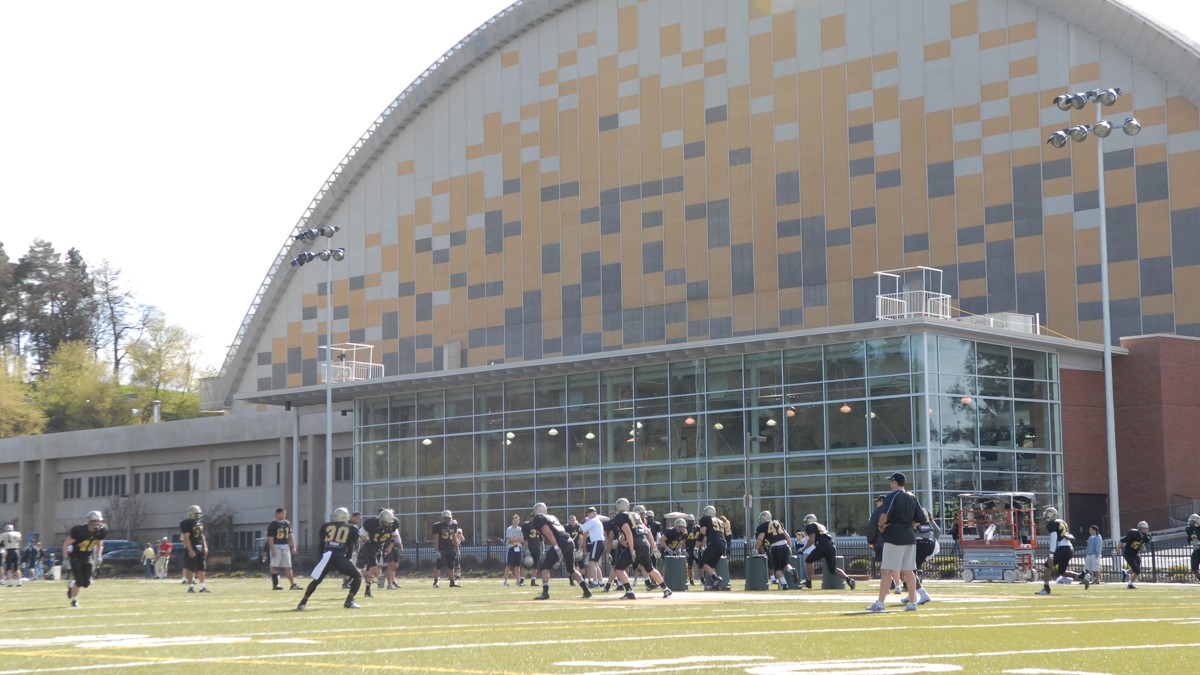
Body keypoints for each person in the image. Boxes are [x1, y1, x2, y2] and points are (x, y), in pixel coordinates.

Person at [868, 472, 924, 611]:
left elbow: (884, 515)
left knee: (887, 570)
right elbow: (921, 518)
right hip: (909, 537)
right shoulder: (912, 496)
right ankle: (912, 602)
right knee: (909, 571)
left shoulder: (893, 495)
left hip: (894, 538)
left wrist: (881, 526)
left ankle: (880, 603)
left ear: (894, 482)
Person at [297, 507, 363, 610]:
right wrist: (348, 558)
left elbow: (321, 545)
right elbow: (351, 546)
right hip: (339, 556)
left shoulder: (325, 526)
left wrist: (320, 558)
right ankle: (349, 601)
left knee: (317, 580)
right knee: (358, 576)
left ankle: (303, 602)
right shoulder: (352, 528)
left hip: (326, 556)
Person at [608, 497, 670, 599]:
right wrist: (654, 548)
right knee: (650, 569)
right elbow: (648, 532)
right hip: (645, 543)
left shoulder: (620, 517)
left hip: (635, 544)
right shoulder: (635, 515)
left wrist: (632, 549)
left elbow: (628, 533)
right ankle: (666, 589)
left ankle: (629, 591)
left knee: (618, 569)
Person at [529, 502, 591, 600]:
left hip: (560, 542)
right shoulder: (552, 517)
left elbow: (549, 534)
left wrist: (557, 549)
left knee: (545, 567)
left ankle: (545, 593)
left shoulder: (539, 518)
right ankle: (586, 590)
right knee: (572, 570)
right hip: (569, 541)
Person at [1035, 506, 1088, 595]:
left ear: (1051, 515)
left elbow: (1053, 539)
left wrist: (1051, 555)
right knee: (1062, 572)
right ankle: (1083, 576)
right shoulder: (1062, 522)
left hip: (1062, 548)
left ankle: (1046, 589)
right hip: (1069, 548)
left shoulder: (1052, 524)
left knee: (1047, 567)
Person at [801, 514, 856, 591]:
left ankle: (808, 581)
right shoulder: (820, 526)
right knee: (833, 569)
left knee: (808, 560)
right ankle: (849, 580)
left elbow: (812, 539)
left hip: (823, 546)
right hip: (831, 546)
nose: (805, 523)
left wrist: (804, 548)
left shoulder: (810, 526)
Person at [64, 511, 107, 607]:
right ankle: (74, 600)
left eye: (98, 521)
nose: (97, 523)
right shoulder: (80, 531)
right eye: (95, 521)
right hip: (76, 557)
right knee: (79, 581)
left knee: (86, 583)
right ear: (89, 521)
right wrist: (66, 558)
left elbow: (100, 543)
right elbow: (66, 543)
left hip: (87, 557)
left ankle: (71, 585)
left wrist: (99, 555)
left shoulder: (100, 531)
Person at [359, 508, 399, 597]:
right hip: (370, 545)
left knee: (375, 569)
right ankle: (367, 591)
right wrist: (360, 546)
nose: (387, 524)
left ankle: (360, 573)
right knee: (374, 567)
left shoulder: (393, 524)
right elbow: (361, 535)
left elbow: (394, 535)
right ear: (381, 519)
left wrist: (390, 547)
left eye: (389, 523)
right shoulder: (371, 523)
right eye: (386, 522)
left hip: (380, 547)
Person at [754, 511, 798, 590]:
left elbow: (760, 539)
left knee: (777, 569)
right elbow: (787, 536)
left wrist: (755, 549)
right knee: (785, 564)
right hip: (785, 546)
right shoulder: (778, 523)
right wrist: (790, 547)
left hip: (776, 548)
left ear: (763, 518)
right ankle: (791, 569)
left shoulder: (762, 526)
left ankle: (784, 584)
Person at [266, 507, 301, 591]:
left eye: (284, 513)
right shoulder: (272, 525)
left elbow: (290, 535)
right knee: (274, 566)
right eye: (282, 513)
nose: (284, 515)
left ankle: (293, 584)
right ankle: (276, 584)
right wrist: (273, 549)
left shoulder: (287, 523)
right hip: (276, 546)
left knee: (288, 566)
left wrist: (294, 546)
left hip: (285, 546)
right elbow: (270, 538)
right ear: (277, 514)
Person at [912, 507, 941, 605]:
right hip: (932, 543)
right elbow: (937, 530)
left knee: (909, 570)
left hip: (919, 543)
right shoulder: (924, 511)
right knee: (912, 569)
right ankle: (912, 594)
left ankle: (921, 593)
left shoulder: (909, 510)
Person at [180, 504, 210, 593]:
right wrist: (190, 549)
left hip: (200, 546)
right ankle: (190, 587)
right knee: (191, 568)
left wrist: (205, 546)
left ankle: (202, 587)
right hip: (192, 546)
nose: (198, 515)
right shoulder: (185, 523)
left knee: (202, 567)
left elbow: (202, 535)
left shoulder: (199, 523)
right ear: (191, 513)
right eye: (196, 513)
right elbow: (186, 538)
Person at [697, 505, 727, 590]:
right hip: (722, 543)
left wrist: (696, 547)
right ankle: (716, 584)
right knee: (711, 564)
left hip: (714, 543)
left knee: (703, 563)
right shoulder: (719, 521)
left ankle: (715, 578)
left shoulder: (705, 519)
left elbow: (703, 532)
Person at [431, 510, 462, 587]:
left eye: (449, 518)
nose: (448, 519)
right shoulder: (438, 526)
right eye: (446, 518)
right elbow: (436, 539)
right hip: (442, 548)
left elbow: (454, 538)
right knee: (438, 565)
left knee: (451, 566)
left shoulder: (453, 525)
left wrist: (457, 549)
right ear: (443, 518)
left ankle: (452, 582)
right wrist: (437, 550)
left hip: (451, 548)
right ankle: (436, 582)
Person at [1119, 520, 1152, 589]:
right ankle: (1130, 584)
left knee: (1134, 570)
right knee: (1137, 570)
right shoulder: (1133, 533)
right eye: (1144, 528)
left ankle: (1124, 572)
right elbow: (1122, 540)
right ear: (1140, 528)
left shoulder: (1146, 536)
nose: (1146, 530)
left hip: (1135, 554)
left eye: (1146, 528)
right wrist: (1117, 550)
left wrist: (1142, 545)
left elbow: (1143, 541)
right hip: (1128, 553)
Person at [579, 507, 605, 588]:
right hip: (600, 542)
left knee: (591, 563)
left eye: (591, 512)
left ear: (595, 513)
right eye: (588, 512)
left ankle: (595, 582)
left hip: (597, 542)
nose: (589, 514)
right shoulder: (596, 521)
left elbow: (581, 529)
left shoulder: (593, 521)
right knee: (595, 564)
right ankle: (600, 582)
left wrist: (579, 523)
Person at [521, 514, 543, 587]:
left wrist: (543, 549)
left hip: (536, 548)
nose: (534, 519)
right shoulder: (527, 525)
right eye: (533, 517)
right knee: (526, 564)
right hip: (530, 547)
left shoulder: (539, 526)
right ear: (530, 518)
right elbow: (525, 538)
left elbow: (541, 539)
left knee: (535, 565)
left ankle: (533, 581)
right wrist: (527, 548)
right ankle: (522, 580)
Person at [503, 514, 524, 586]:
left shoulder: (520, 529)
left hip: (518, 548)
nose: (515, 522)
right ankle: (505, 581)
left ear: (519, 521)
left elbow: (522, 540)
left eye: (517, 521)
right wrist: (518, 538)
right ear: (512, 521)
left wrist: (516, 538)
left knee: (517, 566)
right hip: (511, 548)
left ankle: (518, 581)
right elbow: (511, 539)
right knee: (508, 565)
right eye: (514, 521)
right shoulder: (509, 529)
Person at [684, 515, 700, 586]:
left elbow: (702, 537)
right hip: (689, 549)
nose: (691, 522)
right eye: (689, 521)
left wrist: (702, 546)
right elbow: (683, 540)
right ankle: (691, 580)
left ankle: (703, 579)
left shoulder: (698, 528)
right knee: (689, 566)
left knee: (701, 564)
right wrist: (684, 549)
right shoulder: (685, 529)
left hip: (697, 549)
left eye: (692, 521)